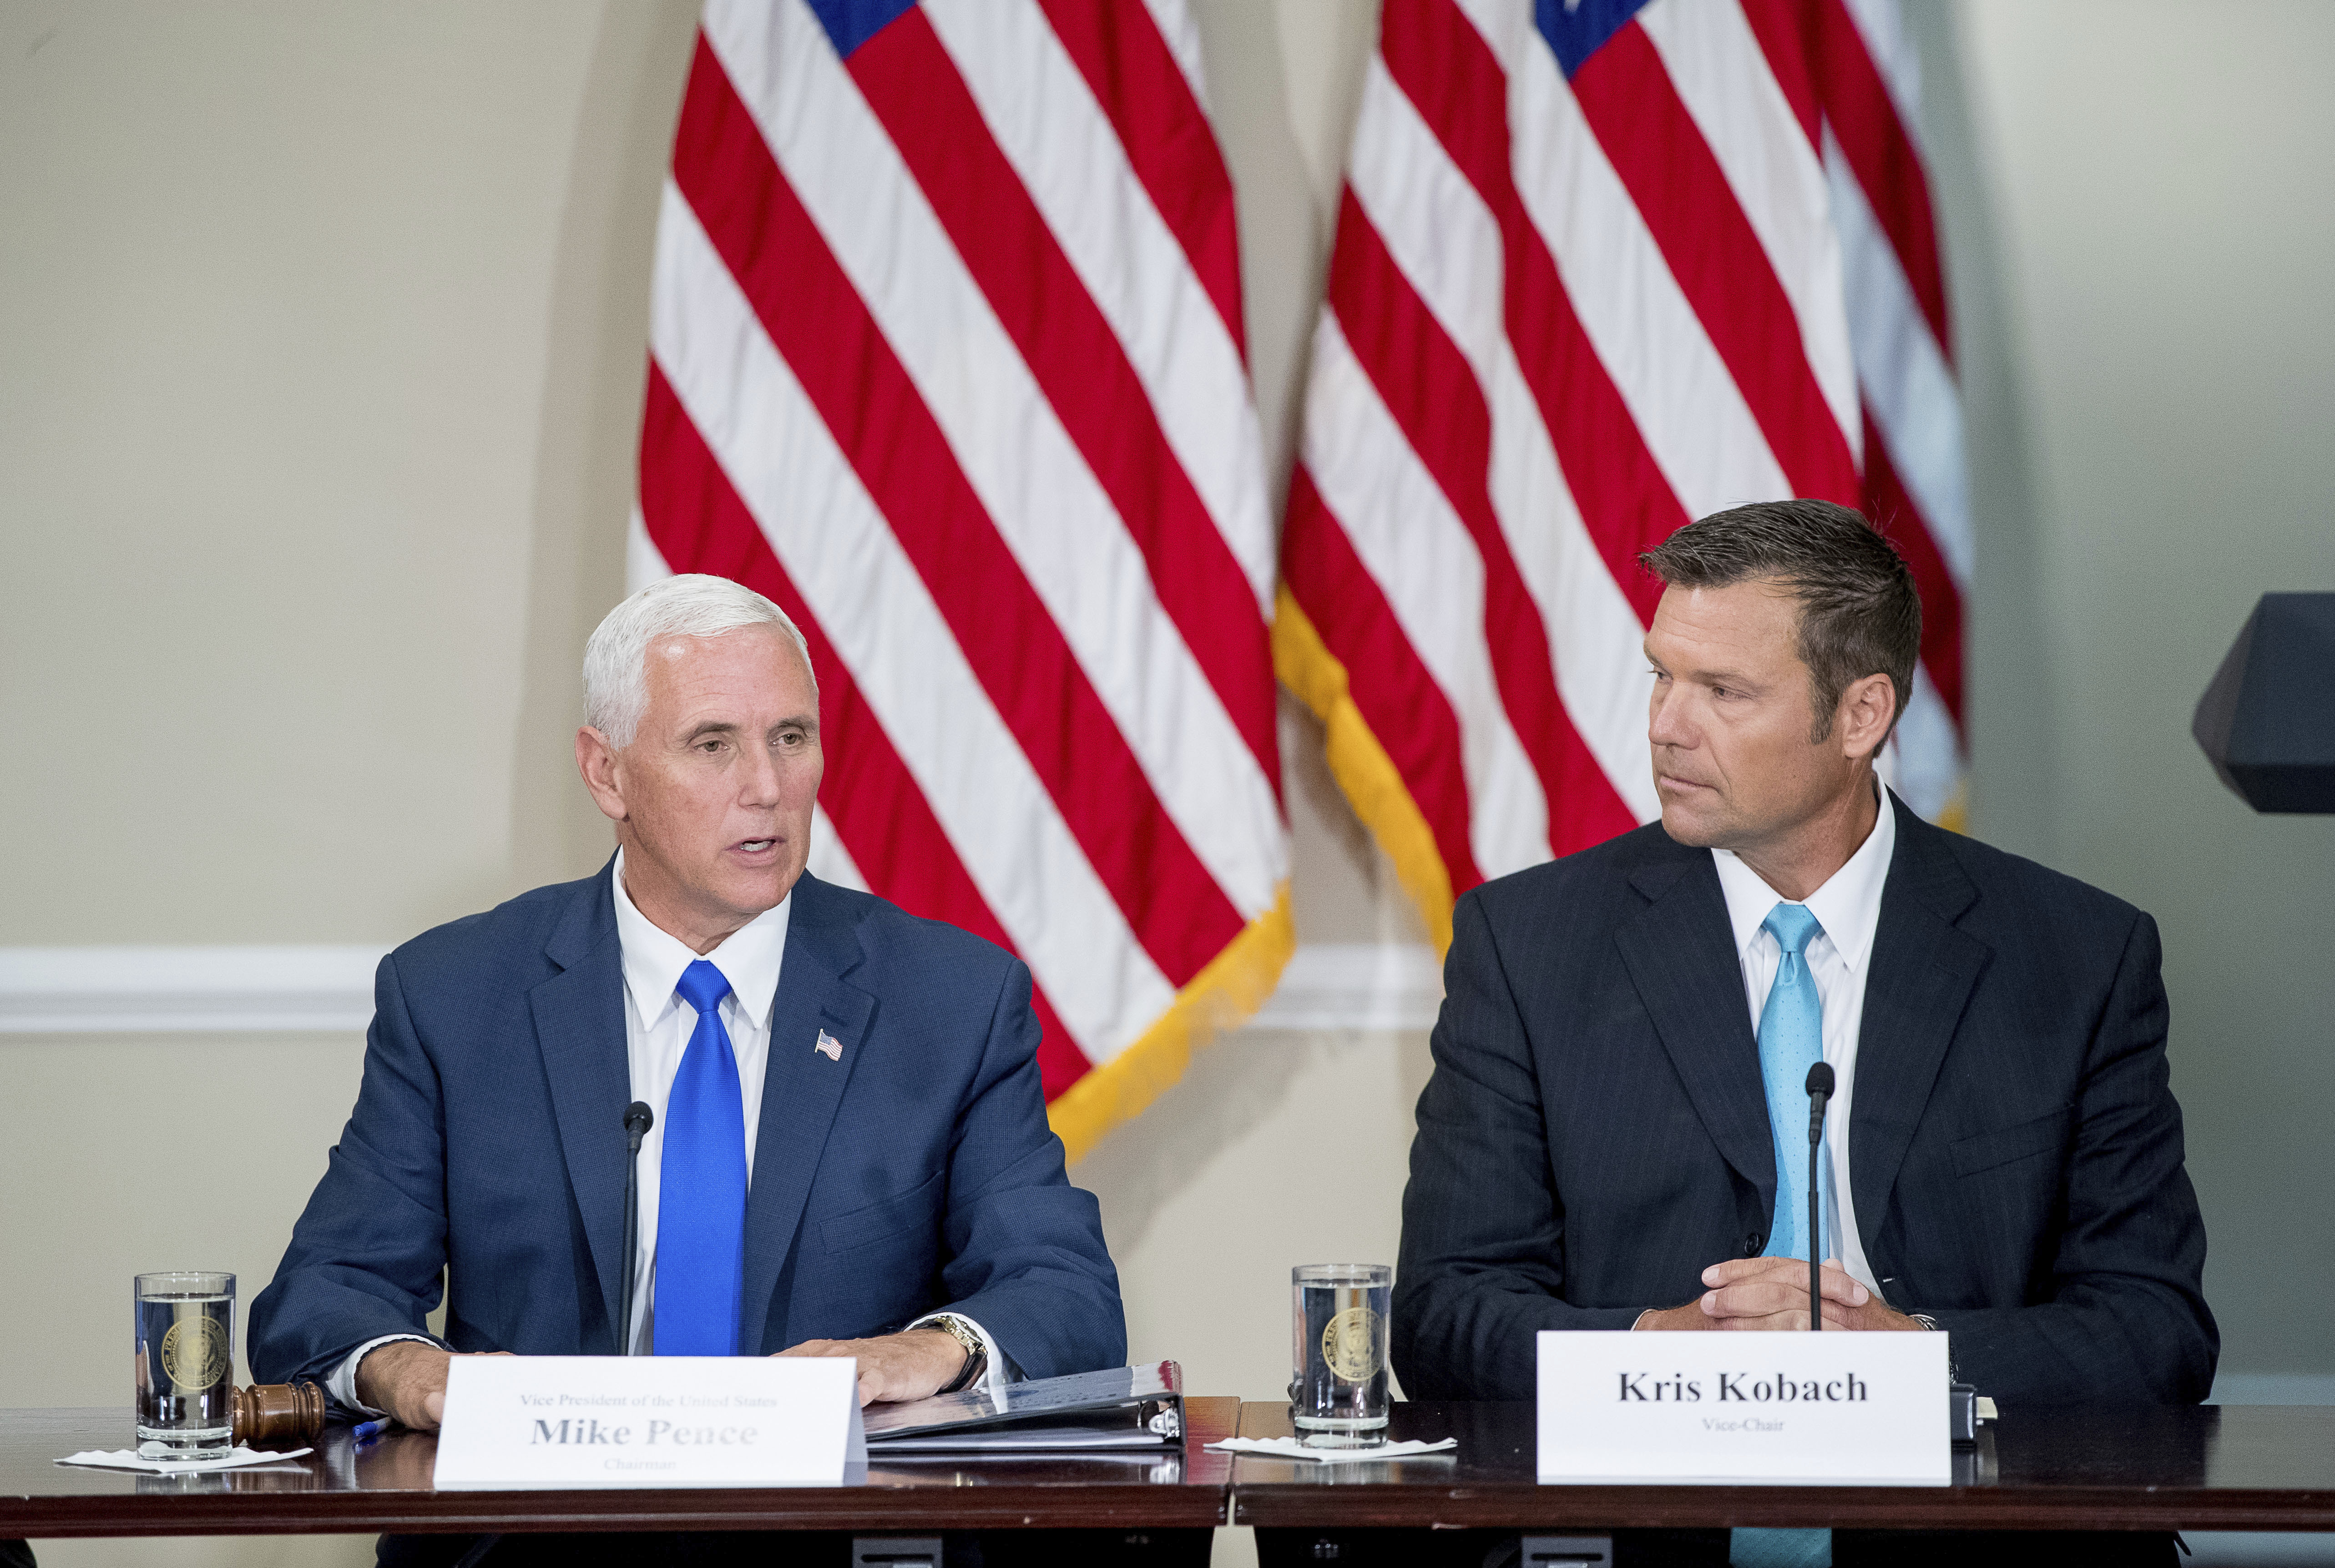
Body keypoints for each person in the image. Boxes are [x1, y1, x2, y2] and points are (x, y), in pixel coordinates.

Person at [1394, 500, 2214, 1567]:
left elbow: (2155, 1330)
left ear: (1861, 712)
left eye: (1723, 691)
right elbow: (1444, 1314)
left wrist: (1915, 1358)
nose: (1664, 724)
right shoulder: (1527, 942)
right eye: (1660, 674)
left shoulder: (2075, 956)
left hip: (1974, 1547)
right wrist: (1654, 1350)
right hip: (1636, 1545)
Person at [250, 575, 1123, 1557]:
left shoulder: (950, 999)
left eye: (791, 738)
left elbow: (1065, 1290)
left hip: (839, 1544)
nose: (767, 785)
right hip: (538, 1548)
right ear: (608, 772)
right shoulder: (454, 995)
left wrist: (934, 1348)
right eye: (714, 744)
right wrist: (416, 1373)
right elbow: (323, 1292)